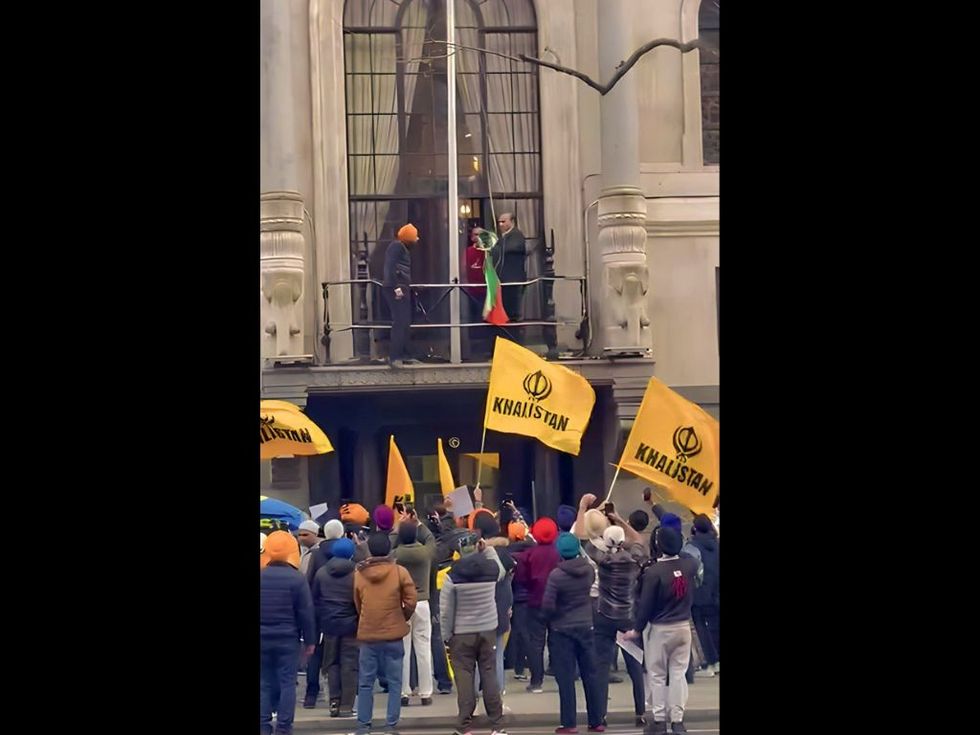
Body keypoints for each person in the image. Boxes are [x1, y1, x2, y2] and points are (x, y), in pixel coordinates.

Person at [628, 527, 700, 735]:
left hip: (660, 628)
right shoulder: (690, 565)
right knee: (678, 675)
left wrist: (637, 629)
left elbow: (646, 605)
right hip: (683, 625)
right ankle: (677, 720)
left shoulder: (654, 572)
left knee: (657, 675)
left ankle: (659, 720)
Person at [441, 533, 508, 735]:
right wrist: (488, 548)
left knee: (464, 678)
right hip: (487, 629)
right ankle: (497, 725)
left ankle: (464, 726)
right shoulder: (492, 569)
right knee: (489, 674)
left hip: (461, 633)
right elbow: (502, 571)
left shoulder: (452, 575)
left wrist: (446, 635)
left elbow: (446, 611)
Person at [353, 532, 417, 734]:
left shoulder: (359, 574)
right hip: (393, 633)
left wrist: (367, 617)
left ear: (370, 550)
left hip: (368, 634)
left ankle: (364, 725)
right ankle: (391, 724)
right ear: (389, 549)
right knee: (395, 681)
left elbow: (357, 602)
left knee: (366, 682)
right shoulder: (399, 572)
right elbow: (411, 600)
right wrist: (402, 616)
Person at [586, 523, 649, 727]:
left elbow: (587, 543)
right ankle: (640, 712)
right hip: (627, 617)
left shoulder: (603, 560)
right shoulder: (635, 560)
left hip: (604, 615)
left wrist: (595, 522)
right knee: (635, 666)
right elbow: (639, 540)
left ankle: (600, 716)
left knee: (601, 667)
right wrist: (619, 519)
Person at [542, 532, 604, 734]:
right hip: (586, 625)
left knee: (566, 678)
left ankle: (569, 723)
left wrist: (550, 618)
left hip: (562, 630)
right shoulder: (588, 570)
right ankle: (596, 720)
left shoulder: (556, 575)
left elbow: (548, 605)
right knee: (590, 674)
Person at [261, 531, 316, 735]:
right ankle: (284, 727)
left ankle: (263, 725)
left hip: (262, 638)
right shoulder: (297, 579)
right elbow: (306, 613)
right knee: (287, 683)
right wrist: (310, 641)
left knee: (263, 683)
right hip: (288, 638)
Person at [312, 537, 359, 718]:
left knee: (331, 663)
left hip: (329, 625)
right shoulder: (357, 573)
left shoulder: (321, 573)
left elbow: (315, 599)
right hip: (350, 625)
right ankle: (347, 706)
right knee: (349, 664)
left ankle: (334, 701)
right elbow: (360, 599)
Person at [510, 517, 559, 693]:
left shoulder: (529, 555)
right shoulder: (559, 553)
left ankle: (537, 681)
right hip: (557, 603)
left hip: (535, 601)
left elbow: (522, 578)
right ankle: (561, 676)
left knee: (536, 643)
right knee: (557, 641)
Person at [393, 520, 436, 706]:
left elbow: (388, 545)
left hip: (401, 603)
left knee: (403, 650)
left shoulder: (397, 554)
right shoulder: (425, 552)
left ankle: (404, 692)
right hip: (422, 602)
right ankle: (426, 692)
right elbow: (431, 539)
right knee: (424, 648)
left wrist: (396, 529)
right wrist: (419, 523)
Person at [383, 223, 421, 367]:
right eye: (414, 237)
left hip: (401, 288)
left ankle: (405, 354)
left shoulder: (400, 247)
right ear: (408, 238)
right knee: (400, 321)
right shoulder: (397, 247)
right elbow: (390, 267)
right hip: (396, 288)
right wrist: (396, 288)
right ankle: (395, 357)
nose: (417, 240)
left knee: (404, 321)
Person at [688, 515, 719, 677]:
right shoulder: (716, 544)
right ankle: (717, 659)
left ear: (695, 528)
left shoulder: (693, 547)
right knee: (714, 626)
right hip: (716, 592)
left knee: (701, 627)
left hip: (699, 592)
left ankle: (710, 661)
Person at [489, 213, 527, 323]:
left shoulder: (517, 235)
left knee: (512, 308)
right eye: (499, 222)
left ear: (512, 221)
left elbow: (511, 248)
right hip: (504, 278)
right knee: (506, 307)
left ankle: (514, 328)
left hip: (513, 278)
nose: (500, 224)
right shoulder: (503, 237)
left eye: (503, 221)